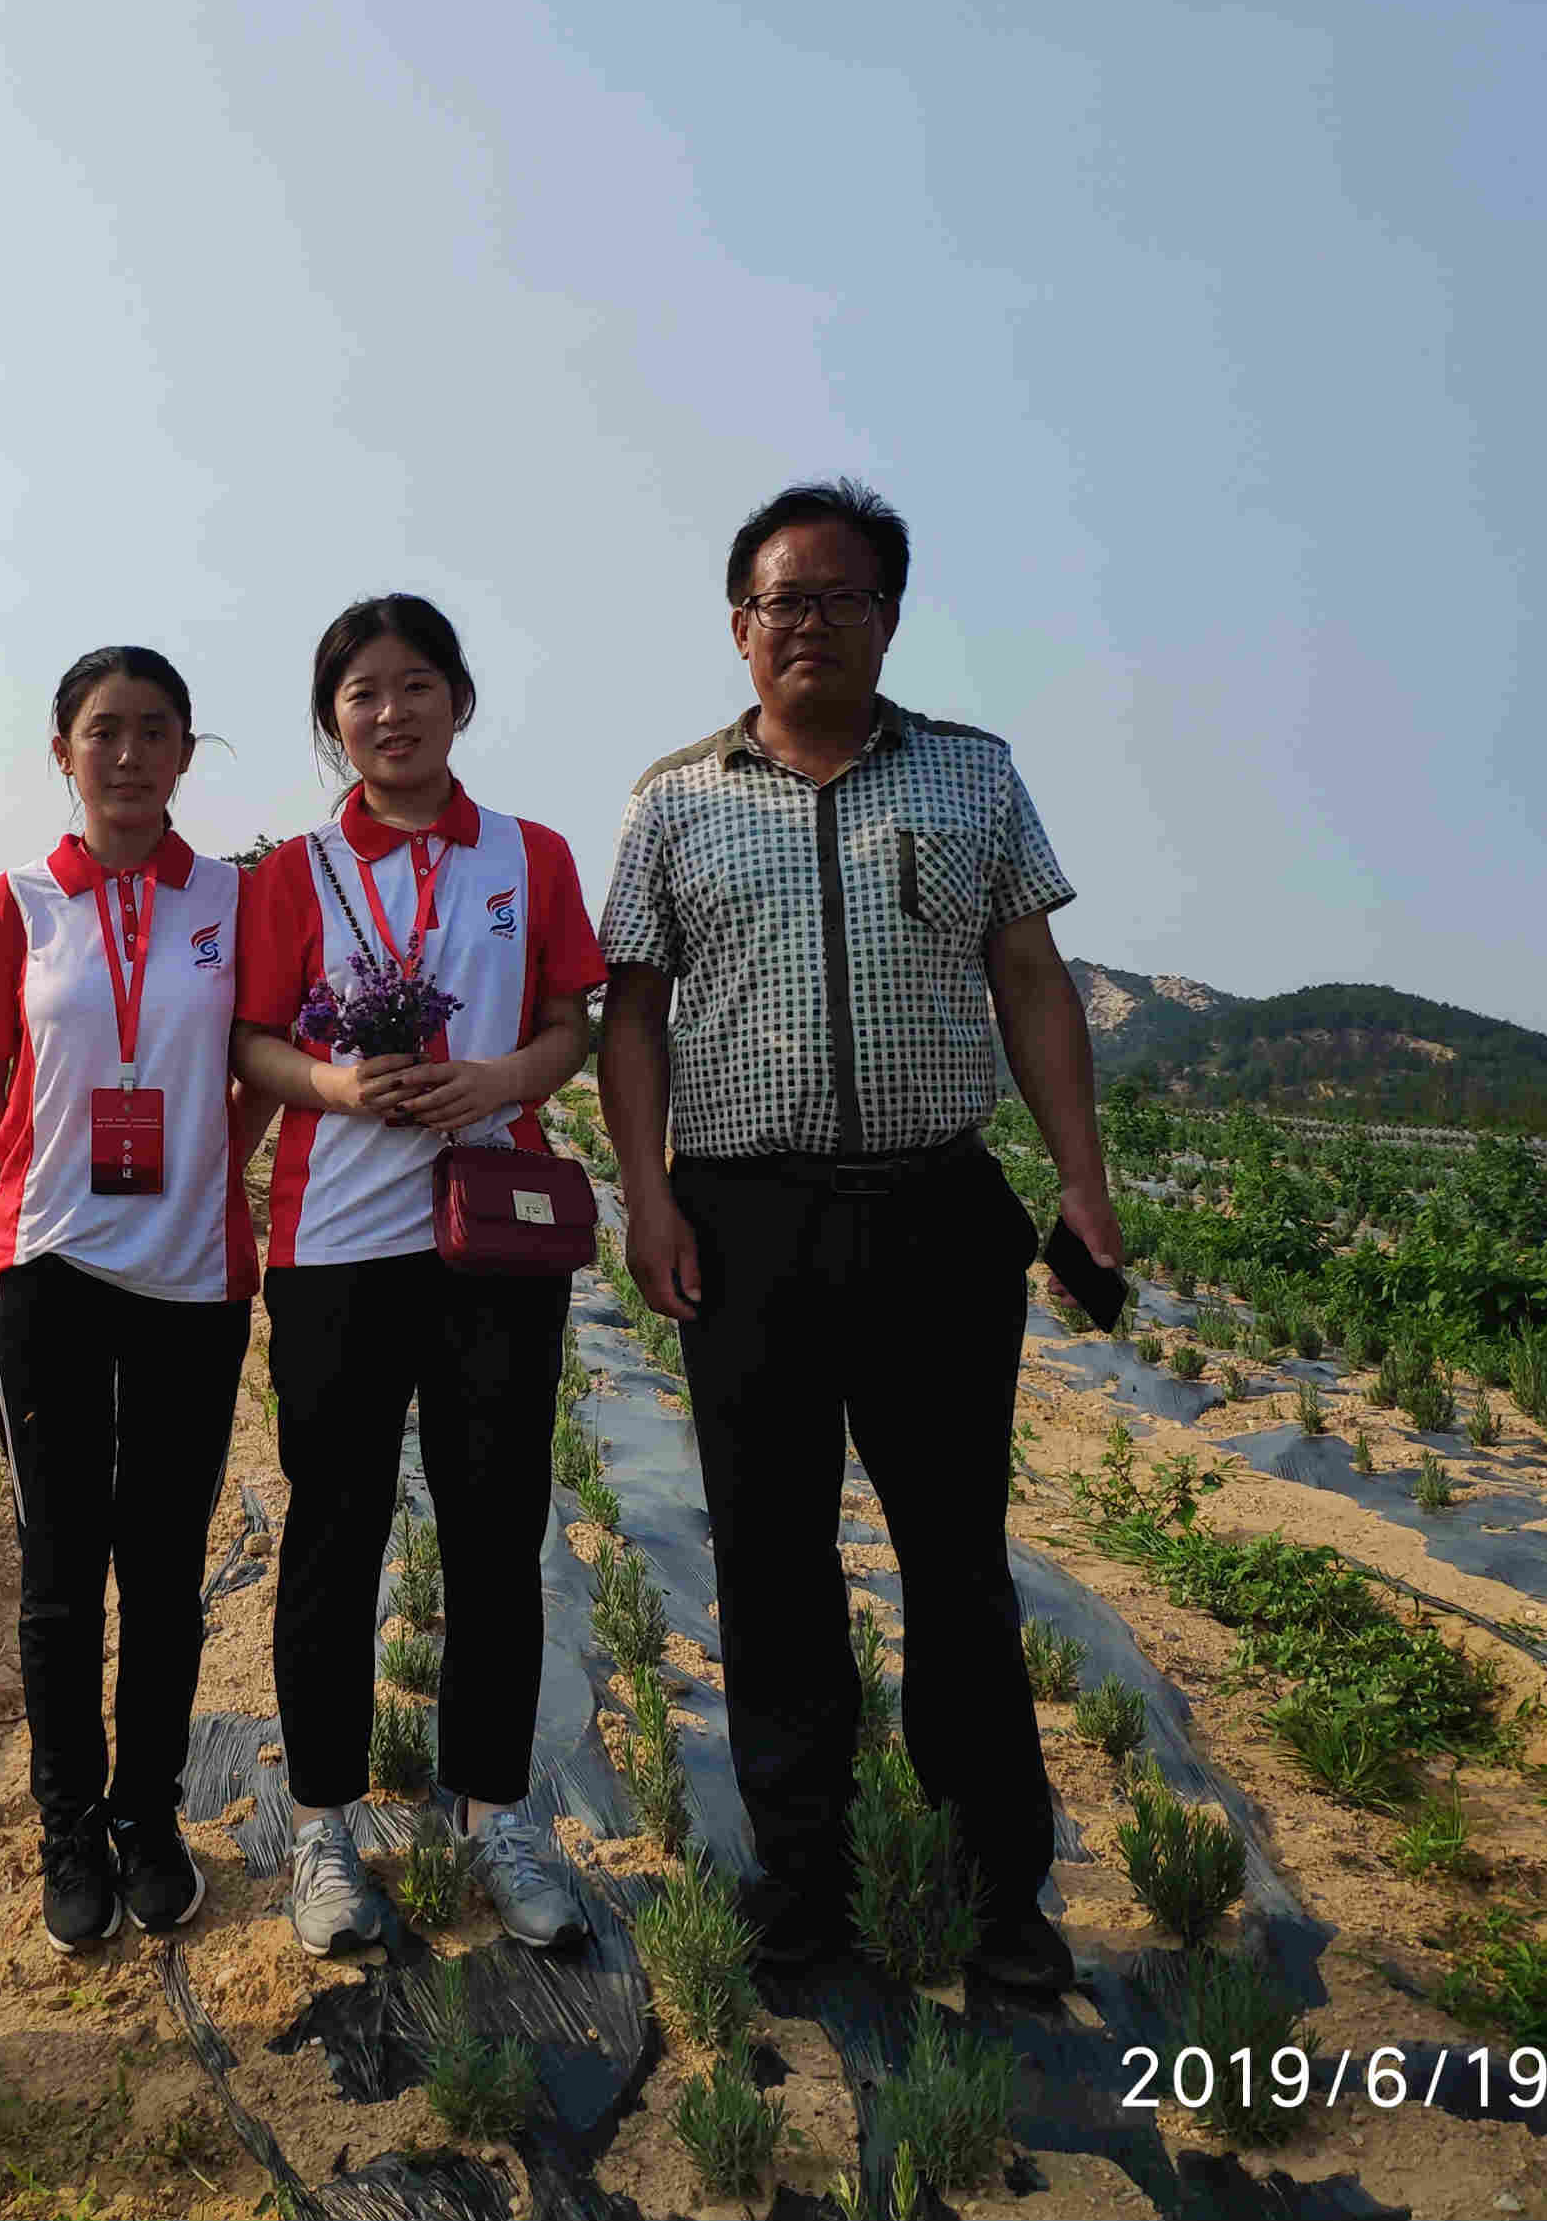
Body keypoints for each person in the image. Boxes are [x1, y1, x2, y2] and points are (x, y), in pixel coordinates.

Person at [593, 481, 1123, 1996]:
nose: (809, 622)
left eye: (840, 596)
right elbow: (632, 1010)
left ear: (891, 617)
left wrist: (1080, 1184)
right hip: (745, 1217)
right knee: (768, 1561)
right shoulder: (673, 799)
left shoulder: (970, 777)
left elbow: (1031, 975)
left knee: (955, 1559)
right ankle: (801, 1879)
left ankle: (997, 1892)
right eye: (782, 599)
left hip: (937, 1211)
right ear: (739, 628)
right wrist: (649, 1192)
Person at [231, 593, 606, 1957]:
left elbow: (572, 1019)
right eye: (361, 695)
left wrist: (500, 1077)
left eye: (415, 685)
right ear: (333, 723)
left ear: (460, 698)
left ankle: (494, 1811)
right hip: (332, 1242)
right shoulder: (290, 876)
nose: (390, 714)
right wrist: (332, 1079)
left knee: (498, 1529)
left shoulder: (530, 856)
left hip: (491, 1238)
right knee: (334, 1531)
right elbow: (255, 1043)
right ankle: (323, 1826)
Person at [0, 647, 270, 1954]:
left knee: (165, 1563)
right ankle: (67, 1827)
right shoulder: (17, 903)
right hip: (56, 1281)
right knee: (58, 1570)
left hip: (193, 1280)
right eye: (103, 731)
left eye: (154, 731)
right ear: (62, 751)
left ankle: (151, 1814)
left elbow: (258, 1061)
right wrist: (42, 1196)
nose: (129, 755)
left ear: (187, 752)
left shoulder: (236, 903)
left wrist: (210, 1172)